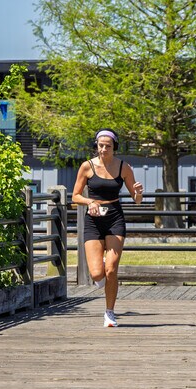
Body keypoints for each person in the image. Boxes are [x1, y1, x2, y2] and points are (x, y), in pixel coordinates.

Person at [72, 128, 144, 327]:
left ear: (115, 147)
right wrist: (89, 202)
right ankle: (103, 276)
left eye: (108, 146)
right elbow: (75, 196)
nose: (103, 149)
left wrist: (138, 193)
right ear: (96, 146)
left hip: (114, 218)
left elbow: (137, 200)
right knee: (97, 274)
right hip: (93, 220)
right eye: (100, 145)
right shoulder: (87, 167)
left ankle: (109, 313)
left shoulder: (124, 167)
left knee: (111, 270)